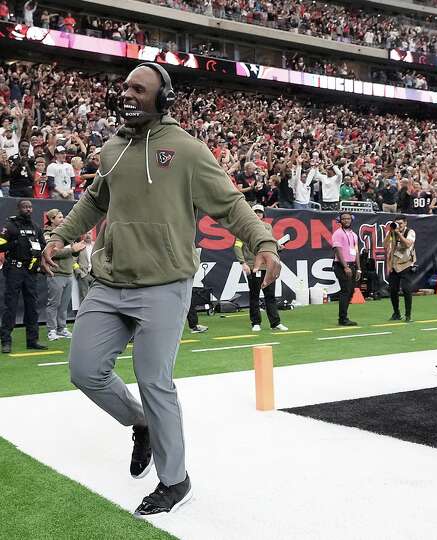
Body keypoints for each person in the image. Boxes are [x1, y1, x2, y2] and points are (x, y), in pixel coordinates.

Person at [41, 62, 281, 516]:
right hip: (110, 282)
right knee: (84, 370)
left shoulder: (187, 151)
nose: (128, 95)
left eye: (140, 89)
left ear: (162, 99)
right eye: (125, 87)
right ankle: (142, 425)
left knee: (155, 381)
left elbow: (230, 205)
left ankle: (175, 481)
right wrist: (60, 234)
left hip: (165, 285)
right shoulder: (112, 148)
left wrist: (263, 241)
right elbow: (95, 199)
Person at [0, 199, 48, 353]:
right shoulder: (10, 226)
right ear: (18, 209)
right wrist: (12, 244)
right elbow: (1, 244)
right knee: (11, 306)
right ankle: (6, 341)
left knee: (32, 306)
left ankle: (32, 340)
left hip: (30, 271)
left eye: (30, 207)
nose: (28, 209)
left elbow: (42, 245)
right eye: (25, 207)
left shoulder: (35, 227)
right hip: (14, 269)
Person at [235, 204, 287, 332]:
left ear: (263, 214)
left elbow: (270, 243)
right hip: (254, 266)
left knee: (270, 296)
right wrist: (243, 263)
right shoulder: (244, 227)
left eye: (260, 212)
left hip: (267, 266)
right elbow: (237, 246)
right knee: (254, 295)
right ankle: (256, 322)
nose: (258, 214)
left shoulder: (268, 227)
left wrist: (278, 247)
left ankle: (275, 323)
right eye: (256, 212)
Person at [42, 209, 83, 342]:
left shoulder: (67, 235)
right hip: (56, 273)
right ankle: (51, 330)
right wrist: (71, 250)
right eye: (59, 217)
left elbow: (72, 252)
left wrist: (76, 250)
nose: (63, 219)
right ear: (52, 219)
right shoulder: (48, 234)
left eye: (63, 216)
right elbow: (52, 253)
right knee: (54, 303)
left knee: (64, 304)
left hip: (68, 272)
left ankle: (62, 328)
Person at [331, 210, 360, 326]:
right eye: (343, 219)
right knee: (345, 291)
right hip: (342, 265)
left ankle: (344, 316)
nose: (346, 220)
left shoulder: (354, 235)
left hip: (352, 265)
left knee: (351, 291)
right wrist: (345, 267)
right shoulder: (338, 233)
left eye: (348, 218)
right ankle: (342, 318)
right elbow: (337, 250)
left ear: (351, 219)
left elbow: (356, 251)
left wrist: (358, 268)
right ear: (340, 220)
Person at [385, 215, 416, 322]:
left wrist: (398, 233)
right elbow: (385, 245)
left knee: (407, 290)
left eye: (401, 223)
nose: (399, 225)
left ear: (405, 223)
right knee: (393, 290)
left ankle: (408, 315)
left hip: (406, 264)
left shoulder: (410, 232)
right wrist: (390, 232)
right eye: (397, 223)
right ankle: (396, 313)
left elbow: (407, 244)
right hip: (394, 265)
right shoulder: (393, 233)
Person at [75, 232, 94, 303]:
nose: (88, 235)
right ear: (82, 235)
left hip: (95, 275)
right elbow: (73, 261)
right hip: (83, 275)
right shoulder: (78, 246)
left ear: (92, 235)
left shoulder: (95, 245)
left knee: (95, 297)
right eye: (86, 233)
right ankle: (83, 313)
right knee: (84, 297)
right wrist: (79, 272)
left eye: (89, 233)